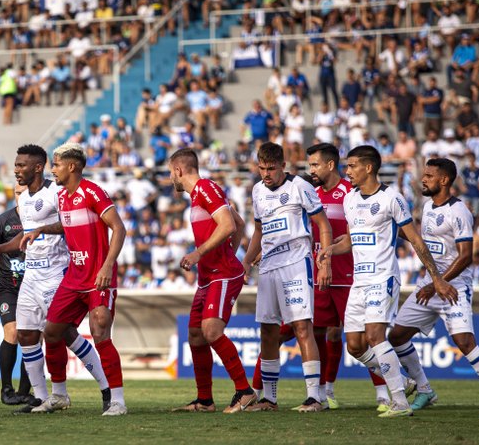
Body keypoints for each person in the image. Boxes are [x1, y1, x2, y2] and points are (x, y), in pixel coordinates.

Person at [324, 145, 458, 418]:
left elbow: (416, 240)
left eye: (351, 166)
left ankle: (399, 402)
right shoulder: (350, 199)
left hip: (383, 277)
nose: (346, 171)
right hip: (358, 281)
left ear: (368, 167)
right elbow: (351, 240)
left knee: (375, 336)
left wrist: (437, 278)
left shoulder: (391, 199)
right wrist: (329, 250)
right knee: (355, 346)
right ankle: (403, 380)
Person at [0, 144, 113, 414]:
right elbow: (25, 236)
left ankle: (106, 386)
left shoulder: (56, 192)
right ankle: (42, 398)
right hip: (31, 274)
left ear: (38, 167)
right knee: (27, 335)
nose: (16, 170)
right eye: (16, 165)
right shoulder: (25, 199)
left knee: (65, 333)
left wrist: (44, 229)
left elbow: (70, 223)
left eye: (21, 165)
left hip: (57, 271)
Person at [20, 143, 128, 416]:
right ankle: (58, 395)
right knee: (52, 332)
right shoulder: (65, 197)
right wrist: (43, 228)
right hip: (74, 278)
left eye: (56, 165)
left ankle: (117, 400)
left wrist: (107, 266)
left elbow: (119, 228)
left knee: (101, 329)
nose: (52, 169)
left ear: (71, 166)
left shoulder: (92, 192)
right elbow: (66, 225)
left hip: (98, 277)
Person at [388, 158, 479, 413]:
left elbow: (465, 256)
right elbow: (422, 242)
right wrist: (392, 227)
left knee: (464, 341)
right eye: (424, 174)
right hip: (429, 284)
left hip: (454, 286)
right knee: (396, 336)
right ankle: (425, 390)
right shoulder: (428, 206)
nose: (423, 179)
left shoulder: (459, 211)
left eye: (429, 175)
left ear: (444, 180)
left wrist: (439, 282)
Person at [242, 142, 332, 412]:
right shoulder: (257, 190)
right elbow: (259, 231)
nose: (266, 174)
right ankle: (269, 399)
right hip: (268, 266)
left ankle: (314, 397)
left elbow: (323, 226)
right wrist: (246, 261)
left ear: (283, 165)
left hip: (296, 261)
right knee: (267, 332)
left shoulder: (300, 186)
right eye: (261, 168)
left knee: (302, 327)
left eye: (271, 168)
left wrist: (324, 263)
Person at [167, 149, 256, 413]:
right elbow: (238, 223)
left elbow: (229, 225)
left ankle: (245, 391)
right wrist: (227, 251)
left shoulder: (205, 188)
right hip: (209, 277)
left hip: (223, 274)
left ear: (179, 170)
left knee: (211, 331)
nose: (171, 178)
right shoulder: (199, 195)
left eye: (171, 172)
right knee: (195, 335)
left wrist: (200, 253)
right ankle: (205, 400)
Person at [305, 144, 389, 410]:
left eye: (315, 165)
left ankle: (383, 392)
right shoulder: (313, 194)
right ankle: (323, 391)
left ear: (330, 165)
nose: (311, 171)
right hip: (320, 273)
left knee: (357, 337)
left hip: (350, 273)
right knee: (318, 329)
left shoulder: (350, 193)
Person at [0, 184, 32, 405]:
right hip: (8, 287)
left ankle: (24, 392)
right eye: (18, 193)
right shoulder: (2, 221)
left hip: (34, 286)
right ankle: (6, 390)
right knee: (12, 333)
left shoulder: (42, 220)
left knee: (31, 338)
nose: (22, 197)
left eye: (26, 192)